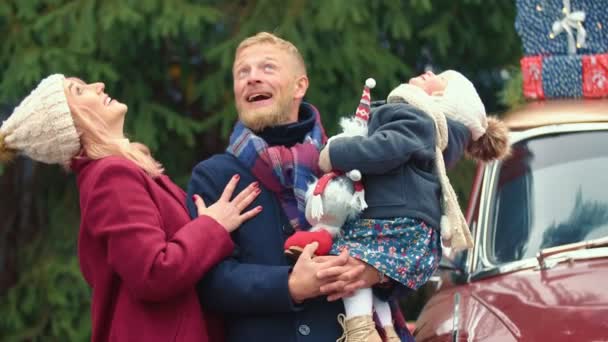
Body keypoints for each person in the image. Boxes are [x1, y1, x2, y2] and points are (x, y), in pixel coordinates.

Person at [0, 74, 262, 342]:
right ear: (72, 126)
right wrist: (212, 226)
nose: (98, 86)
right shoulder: (111, 177)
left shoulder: (122, 172)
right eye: (78, 90)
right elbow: (153, 272)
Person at [187, 32, 384, 342]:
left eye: (267, 68)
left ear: (299, 86)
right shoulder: (213, 176)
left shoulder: (347, 162)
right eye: (243, 72)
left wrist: (375, 272)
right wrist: (289, 285)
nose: (252, 79)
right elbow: (208, 282)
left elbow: (400, 242)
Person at [307, 70, 510, 341]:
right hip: (412, 231)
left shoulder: (415, 116)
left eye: (440, 78)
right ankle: (388, 332)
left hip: (389, 221)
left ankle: (360, 331)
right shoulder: (435, 135)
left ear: (443, 100)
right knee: (370, 273)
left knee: (345, 259)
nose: (428, 72)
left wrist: (335, 154)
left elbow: (384, 149)